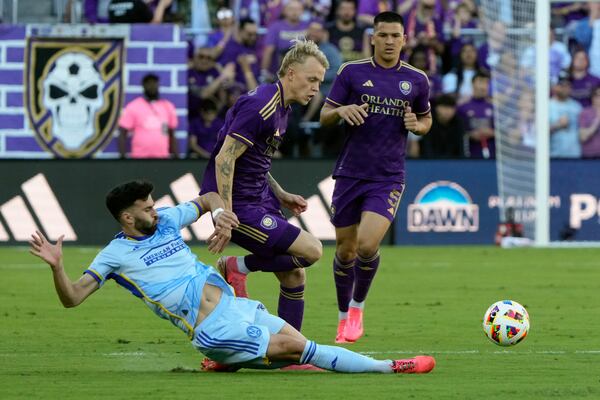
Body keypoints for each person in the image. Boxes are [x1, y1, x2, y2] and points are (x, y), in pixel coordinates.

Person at [29, 180, 435, 374]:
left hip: (235, 305)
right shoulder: (113, 255)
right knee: (301, 350)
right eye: (147, 209)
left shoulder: (168, 221)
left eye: (154, 206)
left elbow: (206, 197)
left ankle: (233, 360)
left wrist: (221, 217)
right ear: (127, 218)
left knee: (294, 348)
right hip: (213, 327)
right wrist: (57, 267)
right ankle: (390, 367)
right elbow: (73, 297)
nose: (156, 211)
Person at [200, 39, 327, 334]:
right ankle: (238, 266)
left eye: (319, 82)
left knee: (294, 275)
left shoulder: (283, 108)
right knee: (313, 250)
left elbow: (255, 159)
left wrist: (279, 193)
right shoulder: (261, 105)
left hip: (260, 198)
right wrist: (226, 215)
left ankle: (290, 354)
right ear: (291, 73)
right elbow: (225, 158)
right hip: (239, 204)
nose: (315, 88)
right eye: (312, 80)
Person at [320, 11, 432, 343]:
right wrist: (340, 111)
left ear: (404, 39)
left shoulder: (416, 80)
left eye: (394, 36)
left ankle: (357, 309)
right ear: (372, 37)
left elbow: (425, 121)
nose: (388, 41)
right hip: (350, 172)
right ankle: (342, 318)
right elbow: (325, 114)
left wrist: (418, 127)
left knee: (367, 246)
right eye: (382, 35)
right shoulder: (351, 72)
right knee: (345, 251)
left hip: (388, 176)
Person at [118, 73, 179, 159]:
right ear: (143, 86)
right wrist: (122, 157)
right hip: (139, 159)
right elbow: (122, 133)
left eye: (154, 83)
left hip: (163, 158)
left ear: (158, 85)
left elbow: (172, 134)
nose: (152, 86)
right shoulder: (134, 106)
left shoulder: (168, 106)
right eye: (149, 83)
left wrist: (176, 157)